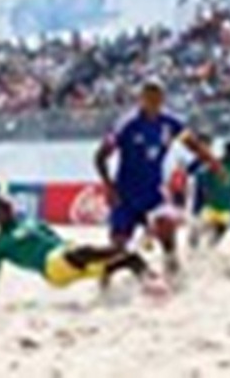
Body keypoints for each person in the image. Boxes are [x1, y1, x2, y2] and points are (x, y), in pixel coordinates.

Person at [94, 81, 222, 276]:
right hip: (125, 194)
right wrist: (109, 186)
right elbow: (100, 155)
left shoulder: (169, 122)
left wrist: (213, 162)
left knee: (167, 231)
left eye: (158, 98)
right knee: (117, 248)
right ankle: (105, 284)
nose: (154, 103)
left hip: (152, 192)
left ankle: (174, 276)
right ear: (142, 99)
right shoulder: (127, 124)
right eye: (149, 98)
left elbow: (192, 144)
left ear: (162, 99)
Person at [0, 197, 167, 307]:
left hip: (67, 253)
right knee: (91, 251)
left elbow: (55, 239)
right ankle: (120, 249)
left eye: (7, 207)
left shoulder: (32, 222)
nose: (7, 211)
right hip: (52, 267)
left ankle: (152, 286)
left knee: (130, 259)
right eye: (0, 210)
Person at [190, 141, 230, 249]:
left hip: (226, 204)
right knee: (205, 226)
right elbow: (203, 178)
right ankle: (194, 240)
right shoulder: (216, 164)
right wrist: (205, 192)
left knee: (223, 228)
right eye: (228, 151)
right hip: (213, 202)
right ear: (225, 151)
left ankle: (210, 247)